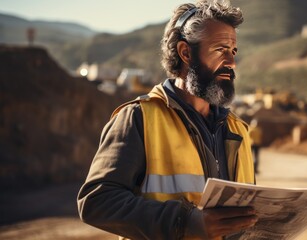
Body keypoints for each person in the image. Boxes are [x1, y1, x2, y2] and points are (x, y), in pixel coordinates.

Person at [77, 0, 257, 239]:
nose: (231, 62)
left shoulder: (238, 130)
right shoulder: (138, 119)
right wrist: (185, 221)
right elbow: (96, 201)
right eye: (220, 49)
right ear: (185, 52)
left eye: (233, 51)